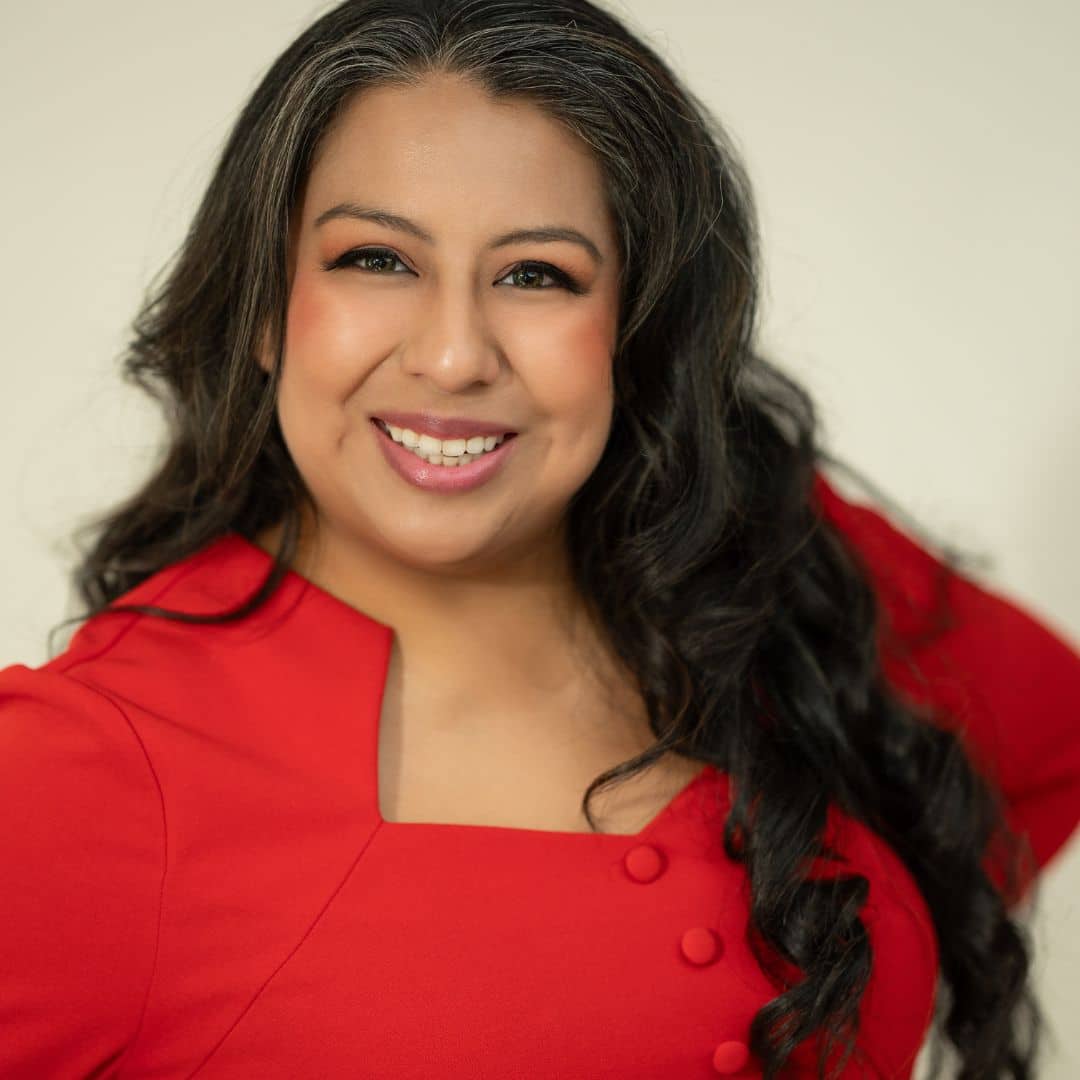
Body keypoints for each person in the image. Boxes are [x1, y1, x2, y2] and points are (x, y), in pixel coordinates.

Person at [2, 1, 1078, 1077]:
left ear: (633, 329)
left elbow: (1047, 734)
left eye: (537, 275)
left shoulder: (760, 574)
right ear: (266, 310)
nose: (456, 354)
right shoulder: (77, 777)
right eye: (376, 258)